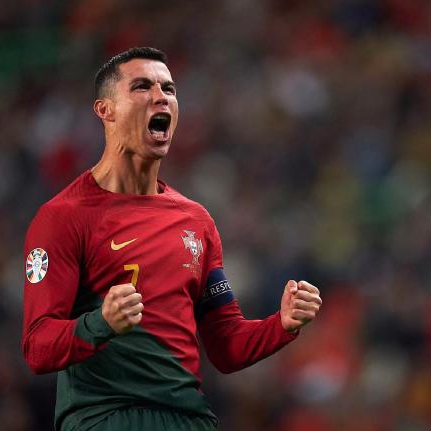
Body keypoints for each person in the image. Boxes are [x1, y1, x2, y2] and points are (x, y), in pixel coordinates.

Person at [22, 47, 322, 431]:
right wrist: (100, 323)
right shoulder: (63, 217)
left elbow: (226, 345)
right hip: (107, 417)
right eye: (142, 86)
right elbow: (37, 347)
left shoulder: (196, 221)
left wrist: (281, 324)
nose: (161, 96)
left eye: (169, 88)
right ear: (105, 110)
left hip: (189, 418)